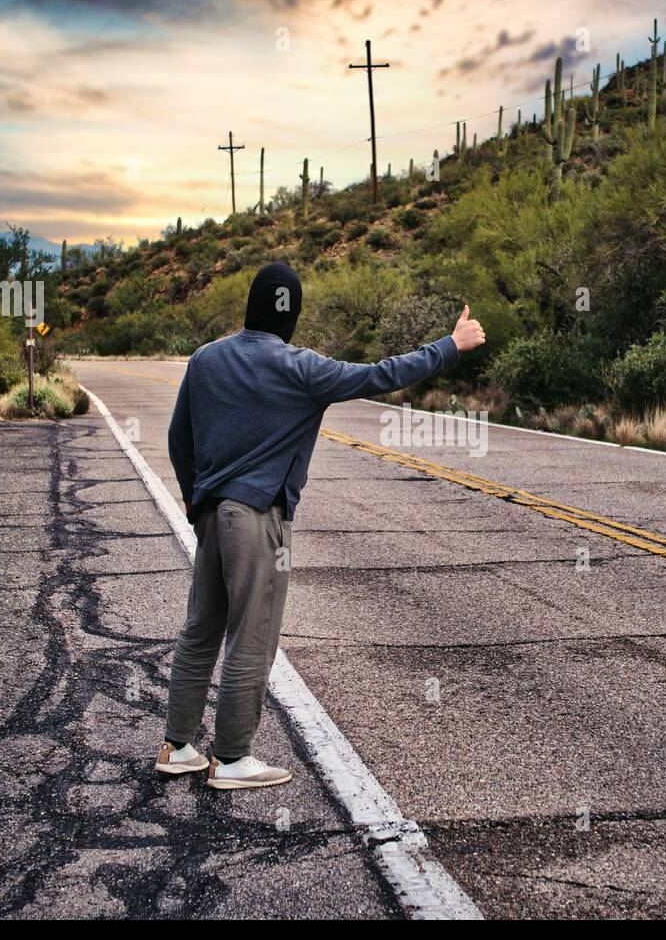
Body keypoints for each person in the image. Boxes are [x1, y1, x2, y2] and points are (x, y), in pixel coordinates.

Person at [155, 262, 486, 789]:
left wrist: (197, 505)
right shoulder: (300, 368)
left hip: (213, 514)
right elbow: (382, 373)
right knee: (251, 637)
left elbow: (179, 440)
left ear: (250, 304)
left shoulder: (205, 360)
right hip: (257, 517)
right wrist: (451, 344)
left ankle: (177, 748)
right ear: (292, 313)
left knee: (201, 630)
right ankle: (234, 759)